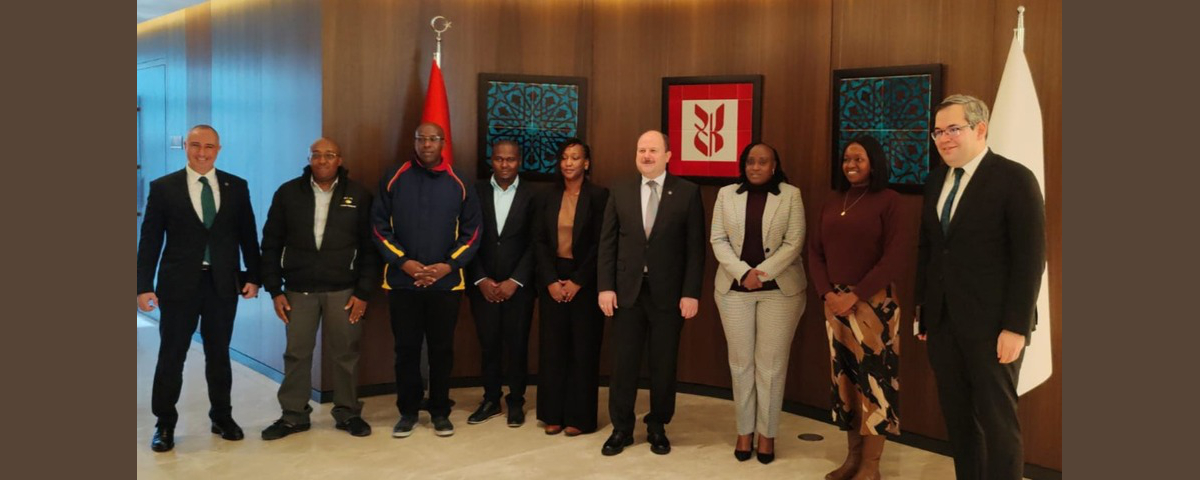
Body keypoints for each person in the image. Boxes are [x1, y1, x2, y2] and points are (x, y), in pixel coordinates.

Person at [916, 94, 1046, 480]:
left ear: (980, 129)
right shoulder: (936, 179)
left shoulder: (1014, 179)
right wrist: (925, 312)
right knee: (959, 423)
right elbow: (929, 250)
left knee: (998, 424)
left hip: (994, 328)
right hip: (944, 324)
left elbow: (1030, 259)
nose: (943, 138)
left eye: (953, 129)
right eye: (938, 131)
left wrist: (1016, 327)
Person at [137, 124, 262, 452]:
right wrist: (142, 286)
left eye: (209, 147)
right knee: (172, 354)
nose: (202, 152)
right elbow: (150, 240)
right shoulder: (164, 188)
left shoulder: (236, 186)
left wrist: (254, 276)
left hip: (222, 285)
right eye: (195, 145)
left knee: (219, 354)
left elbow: (248, 234)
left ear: (218, 149)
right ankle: (164, 423)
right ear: (186, 147)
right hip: (178, 286)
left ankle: (222, 416)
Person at [258, 137, 380, 440]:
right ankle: (293, 415)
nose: (322, 160)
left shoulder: (359, 195)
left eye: (329, 155)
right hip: (298, 290)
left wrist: (363, 293)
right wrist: (274, 290)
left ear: (339, 159)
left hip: (345, 291)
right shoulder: (288, 193)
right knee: (296, 353)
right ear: (309, 159)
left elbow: (370, 248)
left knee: (346, 354)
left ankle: (348, 413)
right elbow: (271, 243)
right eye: (316, 155)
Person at [597, 130, 705, 456]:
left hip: (669, 295)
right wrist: (605, 287)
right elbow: (607, 244)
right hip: (627, 293)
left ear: (668, 156)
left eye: (653, 150)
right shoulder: (620, 190)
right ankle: (621, 428)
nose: (646, 155)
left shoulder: (687, 192)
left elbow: (695, 249)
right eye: (641, 150)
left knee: (663, 364)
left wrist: (691, 293)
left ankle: (658, 426)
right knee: (624, 365)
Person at [371, 122, 482, 438]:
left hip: (446, 284)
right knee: (406, 350)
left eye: (433, 139)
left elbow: (474, 231)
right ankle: (407, 412)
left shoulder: (460, 181)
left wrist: (448, 266)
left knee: (441, 350)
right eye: (422, 139)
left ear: (443, 142)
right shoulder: (395, 177)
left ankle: (440, 412)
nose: (427, 144)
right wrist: (404, 262)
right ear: (415, 142)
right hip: (402, 282)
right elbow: (378, 226)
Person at [809, 135, 908, 479]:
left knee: (875, 385)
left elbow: (895, 256)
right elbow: (815, 252)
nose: (850, 165)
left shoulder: (890, 201)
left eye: (858, 159)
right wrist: (827, 294)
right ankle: (852, 459)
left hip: (875, 307)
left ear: (874, 163)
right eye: (846, 159)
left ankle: (870, 466)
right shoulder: (833, 200)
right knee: (847, 384)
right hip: (835, 307)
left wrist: (857, 295)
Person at [710, 142, 807, 465]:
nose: (755, 167)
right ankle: (744, 431)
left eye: (763, 162)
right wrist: (743, 273)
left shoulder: (791, 195)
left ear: (774, 165)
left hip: (780, 292)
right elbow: (718, 240)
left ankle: (767, 434)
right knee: (740, 365)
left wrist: (761, 274)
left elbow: (794, 242)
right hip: (734, 291)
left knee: (771, 366)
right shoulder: (726, 195)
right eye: (750, 161)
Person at [533, 138, 609, 437]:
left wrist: (578, 280)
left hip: (585, 281)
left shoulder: (599, 196)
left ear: (586, 163)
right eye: (564, 157)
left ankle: (580, 417)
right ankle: (552, 414)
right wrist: (551, 280)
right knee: (553, 349)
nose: (568, 163)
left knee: (583, 349)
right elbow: (538, 241)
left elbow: (601, 244)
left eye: (575, 157)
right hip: (553, 277)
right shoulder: (546, 195)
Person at [465, 139, 538, 427]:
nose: (504, 164)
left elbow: (536, 242)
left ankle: (516, 400)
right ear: (491, 160)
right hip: (483, 285)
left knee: (517, 345)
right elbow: (467, 237)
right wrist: (480, 278)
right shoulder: (475, 191)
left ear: (519, 161)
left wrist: (515, 280)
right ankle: (491, 399)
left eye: (510, 159)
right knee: (488, 345)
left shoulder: (534, 194)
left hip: (518, 287)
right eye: (499, 159)